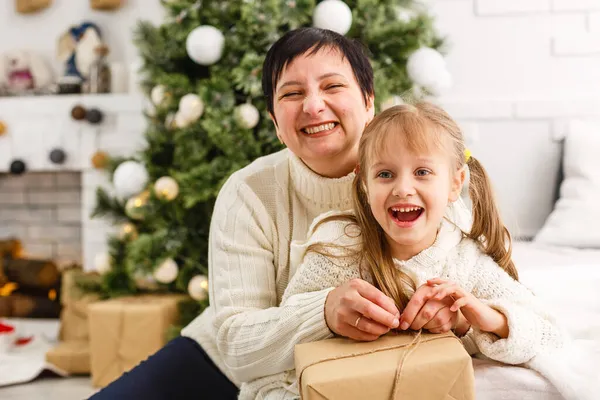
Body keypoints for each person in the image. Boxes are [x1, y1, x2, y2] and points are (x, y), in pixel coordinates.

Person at [91, 28, 470, 400]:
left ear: (369, 102)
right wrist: (322, 313)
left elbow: (489, 295)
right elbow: (235, 347)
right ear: (274, 122)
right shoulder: (249, 192)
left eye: (333, 86)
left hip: (356, 371)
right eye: (292, 93)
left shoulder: (429, 180)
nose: (313, 105)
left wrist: (458, 316)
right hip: (228, 365)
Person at [243, 102, 591, 400]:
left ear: (455, 183)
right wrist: (327, 316)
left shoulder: (464, 259)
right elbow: (285, 339)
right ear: (364, 184)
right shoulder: (338, 249)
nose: (403, 188)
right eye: (385, 174)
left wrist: (475, 316)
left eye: (423, 172)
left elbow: (551, 336)